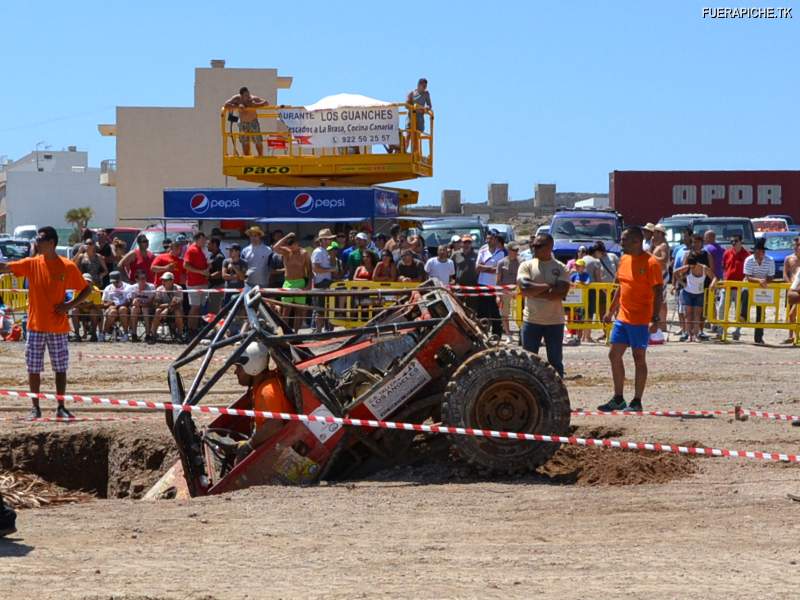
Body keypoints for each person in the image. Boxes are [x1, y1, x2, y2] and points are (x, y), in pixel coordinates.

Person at [0, 226, 91, 419]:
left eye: (40, 239)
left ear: (51, 242)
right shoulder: (32, 263)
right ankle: (35, 407)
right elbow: (6, 267)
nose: (36, 242)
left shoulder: (67, 266)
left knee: (60, 368)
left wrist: (69, 305)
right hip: (35, 326)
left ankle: (61, 406)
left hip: (58, 327)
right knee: (33, 368)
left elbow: (86, 289)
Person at [598, 227, 663, 412]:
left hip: (641, 320)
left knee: (638, 358)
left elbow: (658, 291)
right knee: (613, 355)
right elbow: (621, 286)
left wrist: (655, 318)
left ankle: (637, 401)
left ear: (636, 241)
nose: (621, 242)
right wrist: (611, 310)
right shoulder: (624, 259)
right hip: (622, 318)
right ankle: (618, 398)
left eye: (624, 240)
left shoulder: (651, 263)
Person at [516, 233, 571, 377]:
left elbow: (560, 292)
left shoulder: (561, 268)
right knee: (528, 361)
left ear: (550, 247)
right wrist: (550, 285)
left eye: (538, 246)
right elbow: (524, 287)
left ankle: (557, 392)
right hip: (531, 320)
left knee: (555, 362)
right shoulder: (526, 265)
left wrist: (534, 292)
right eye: (533, 245)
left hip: (554, 322)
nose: (534, 248)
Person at [231, 341, 293, 458]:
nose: (235, 372)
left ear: (251, 367)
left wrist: (249, 445)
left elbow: (275, 425)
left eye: (239, 368)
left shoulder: (267, 391)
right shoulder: (263, 384)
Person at [672, 255, 718, 342]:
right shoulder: (688, 267)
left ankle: (696, 335)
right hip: (688, 293)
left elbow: (714, 277)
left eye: (693, 266)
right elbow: (675, 272)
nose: (691, 268)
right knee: (688, 315)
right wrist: (682, 283)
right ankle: (689, 335)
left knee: (697, 315)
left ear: (697, 263)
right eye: (690, 266)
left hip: (699, 294)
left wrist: (712, 284)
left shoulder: (704, 268)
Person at [273, 232, 312, 331]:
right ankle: (284, 332)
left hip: (300, 282)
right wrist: (286, 236)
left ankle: (296, 333)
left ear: (297, 243)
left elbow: (310, 270)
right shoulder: (286, 251)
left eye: (292, 246)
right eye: (289, 246)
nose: (291, 248)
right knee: (286, 310)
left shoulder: (304, 253)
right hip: (288, 283)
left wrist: (308, 285)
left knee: (299, 310)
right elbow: (275, 248)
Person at [742, 238, 775, 345]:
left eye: (763, 251)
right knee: (745, 292)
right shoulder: (748, 260)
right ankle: (744, 314)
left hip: (762, 286)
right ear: (755, 251)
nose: (761, 253)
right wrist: (759, 281)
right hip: (750, 283)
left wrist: (764, 281)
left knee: (761, 312)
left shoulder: (770, 260)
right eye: (759, 250)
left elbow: (771, 276)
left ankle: (759, 337)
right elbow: (748, 277)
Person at [476, 230, 507, 337]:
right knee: (482, 310)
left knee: (494, 309)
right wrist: (491, 269)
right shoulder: (482, 250)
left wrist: (485, 268)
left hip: (494, 284)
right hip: (482, 283)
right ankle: (482, 332)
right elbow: (477, 268)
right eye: (487, 239)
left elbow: (499, 270)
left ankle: (496, 332)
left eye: (491, 239)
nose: (489, 241)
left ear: (495, 239)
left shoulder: (501, 252)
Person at [224, 86, 268, 157]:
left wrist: (255, 105)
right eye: (246, 95)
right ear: (241, 96)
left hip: (253, 122)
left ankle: (261, 156)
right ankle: (247, 158)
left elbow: (266, 103)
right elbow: (226, 104)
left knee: (258, 141)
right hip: (243, 123)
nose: (248, 97)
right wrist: (238, 106)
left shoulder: (253, 99)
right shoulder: (237, 99)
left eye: (248, 95)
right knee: (245, 143)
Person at [722, 235, 750, 340]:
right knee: (722, 309)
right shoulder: (727, 253)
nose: (733, 243)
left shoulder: (746, 255)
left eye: (736, 241)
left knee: (738, 311)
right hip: (727, 287)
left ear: (741, 241)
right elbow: (724, 267)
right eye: (731, 241)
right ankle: (722, 330)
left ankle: (737, 331)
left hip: (740, 288)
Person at [310, 229, 337, 333]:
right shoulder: (318, 252)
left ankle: (322, 330)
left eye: (330, 239)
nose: (330, 241)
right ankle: (318, 331)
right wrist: (331, 269)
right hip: (320, 283)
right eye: (328, 239)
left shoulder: (323, 251)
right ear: (323, 240)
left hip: (325, 282)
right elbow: (315, 269)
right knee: (320, 310)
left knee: (325, 308)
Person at [183, 232, 209, 335]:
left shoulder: (201, 250)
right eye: (203, 239)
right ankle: (190, 329)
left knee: (198, 307)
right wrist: (201, 272)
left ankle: (194, 328)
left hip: (201, 282)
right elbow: (185, 265)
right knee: (194, 307)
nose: (205, 241)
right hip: (194, 283)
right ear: (197, 239)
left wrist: (205, 270)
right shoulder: (192, 250)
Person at [649, 225, 670, 343]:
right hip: (657, 275)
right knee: (657, 301)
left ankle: (662, 327)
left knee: (660, 301)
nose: (653, 235)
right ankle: (659, 327)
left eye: (656, 232)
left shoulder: (663, 246)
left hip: (662, 275)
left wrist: (650, 255)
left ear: (660, 233)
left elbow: (664, 259)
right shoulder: (658, 245)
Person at [496, 242, 521, 342]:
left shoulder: (520, 262)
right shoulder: (501, 263)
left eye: (517, 250)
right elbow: (498, 280)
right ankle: (508, 335)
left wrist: (517, 290)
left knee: (519, 314)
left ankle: (520, 334)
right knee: (504, 314)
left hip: (517, 292)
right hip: (504, 292)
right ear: (509, 250)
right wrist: (498, 295)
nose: (515, 252)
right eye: (514, 250)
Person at [149, 272, 184, 343]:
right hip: (162, 311)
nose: (163, 282)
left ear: (172, 281)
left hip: (175, 310)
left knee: (177, 312)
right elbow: (156, 304)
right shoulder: (159, 289)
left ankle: (180, 335)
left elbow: (177, 304)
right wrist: (167, 306)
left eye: (165, 280)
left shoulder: (178, 288)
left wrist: (166, 310)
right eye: (162, 280)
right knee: (157, 310)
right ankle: (153, 335)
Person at [125, 269, 156, 343]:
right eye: (141, 278)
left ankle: (148, 334)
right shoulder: (131, 288)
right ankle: (134, 334)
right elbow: (128, 302)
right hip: (136, 308)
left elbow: (152, 303)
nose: (143, 280)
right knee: (134, 308)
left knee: (145, 309)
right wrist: (133, 302)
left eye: (145, 278)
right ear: (136, 279)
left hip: (148, 309)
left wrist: (142, 304)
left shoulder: (151, 287)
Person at [70, 273, 103, 342]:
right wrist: (89, 304)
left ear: (92, 282)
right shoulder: (77, 289)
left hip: (91, 311)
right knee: (74, 311)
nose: (86, 283)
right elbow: (74, 305)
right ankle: (77, 334)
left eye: (88, 281)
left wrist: (83, 305)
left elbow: (97, 306)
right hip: (81, 310)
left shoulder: (96, 290)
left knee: (93, 311)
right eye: (85, 281)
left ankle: (93, 334)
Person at [452, 234, 480, 313]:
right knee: (458, 308)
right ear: (461, 243)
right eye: (465, 242)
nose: (466, 244)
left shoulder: (477, 255)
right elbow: (451, 269)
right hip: (459, 286)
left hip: (473, 286)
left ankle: (473, 324)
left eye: (469, 242)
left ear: (471, 243)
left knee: (472, 310)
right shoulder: (455, 254)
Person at [101, 271, 130, 342]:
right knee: (113, 312)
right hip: (111, 308)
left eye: (116, 282)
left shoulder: (128, 287)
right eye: (113, 282)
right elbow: (104, 302)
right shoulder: (108, 288)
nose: (114, 284)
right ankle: (104, 333)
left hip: (124, 308)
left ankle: (126, 334)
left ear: (120, 279)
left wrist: (117, 306)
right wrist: (109, 304)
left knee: (122, 309)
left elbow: (129, 301)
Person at [781, 236, 800, 344]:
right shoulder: (789, 258)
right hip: (792, 288)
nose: (797, 247)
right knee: (791, 313)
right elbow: (785, 273)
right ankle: (791, 335)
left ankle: (796, 335)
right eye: (796, 245)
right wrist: (789, 284)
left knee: (795, 313)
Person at [569, 258, 593, 344]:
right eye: (576, 266)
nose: (577, 267)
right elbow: (568, 281)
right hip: (576, 300)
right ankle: (578, 337)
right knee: (577, 318)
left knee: (584, 318)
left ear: (583, 267)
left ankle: (583, 336)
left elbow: (588, 282)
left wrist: (581, 283)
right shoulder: (574, 275)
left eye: (579, 266)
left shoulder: (586, 274)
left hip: (585, 300)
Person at [405, 78, 431, 153]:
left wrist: (426, 109)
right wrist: (413, 108)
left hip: (419, 119)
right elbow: (406, 105)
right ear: (419, 85)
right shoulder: (411, 93)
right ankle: (404, 152)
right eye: (423, 86)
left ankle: (415, 153)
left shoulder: (426, 94)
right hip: (411, 117)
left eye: (426, 86)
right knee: (408, 135)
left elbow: (429, 106)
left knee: (416, 137)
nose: (425, 88)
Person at [206, 237, 226, 316]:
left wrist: (208, 277)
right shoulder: (212, 256)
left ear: (214, 245)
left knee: (215, 310)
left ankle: (216, 327)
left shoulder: (219, 257)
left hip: (217, 286)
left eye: (209, 244)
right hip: (212, 286)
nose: (207, 246)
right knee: (211, 309)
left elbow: (220, 272)